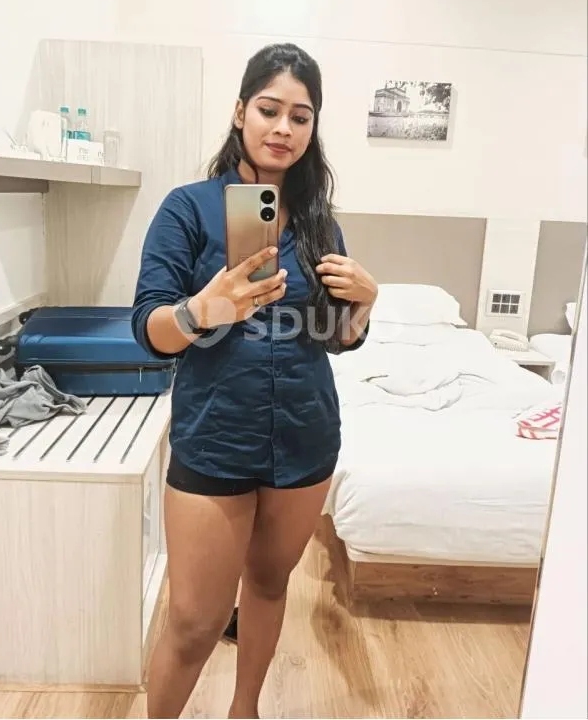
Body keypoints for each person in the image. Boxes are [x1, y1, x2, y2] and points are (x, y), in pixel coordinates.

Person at [131, 42, 378, 719]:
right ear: (241, 111)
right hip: (215, 437)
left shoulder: (321, 223)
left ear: (312, 128)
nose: (283, 128)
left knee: (268, 586)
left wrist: (364, 306)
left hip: (305, 436)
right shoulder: (187, 210)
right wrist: (202, 310)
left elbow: (333, 336)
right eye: (270, 110)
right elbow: (148, 329)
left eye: (301, 116)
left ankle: (246, 709)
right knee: (194, 621)